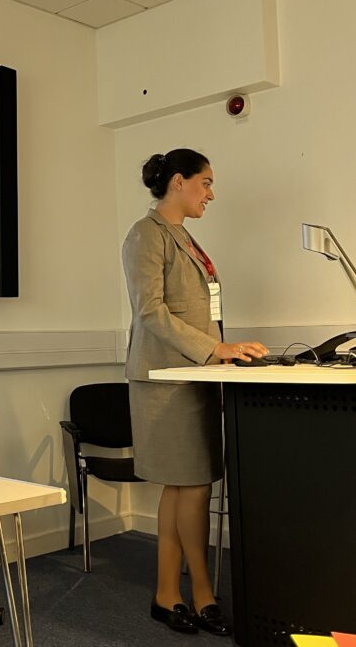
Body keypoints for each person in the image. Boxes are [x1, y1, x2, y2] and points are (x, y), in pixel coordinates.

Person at [122, 148, 267, 637]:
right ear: (178, 181)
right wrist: (217, 348)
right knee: (193, 485)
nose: (212, 192)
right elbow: (151, 312)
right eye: (206, 182)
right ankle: (200, 593)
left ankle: (169, 593)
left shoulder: (183, 237)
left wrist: (222, 352)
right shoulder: (146, 235)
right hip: (166, 380)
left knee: (186, 486)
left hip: (195, 375)